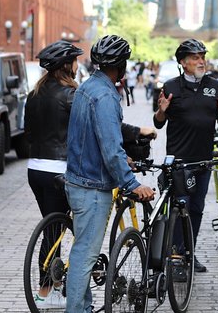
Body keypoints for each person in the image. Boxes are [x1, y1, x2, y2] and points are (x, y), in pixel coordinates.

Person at [65, 34, 156, 313]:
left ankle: (84, 306)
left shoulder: (88, 87)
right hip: (91, 187)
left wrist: (121, 158)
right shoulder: (105, 96)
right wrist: (131, 183)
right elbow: (109, 146)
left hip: (79, 179)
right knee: (85, 254)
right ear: (121, 65)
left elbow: (94, 139)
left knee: (83, 251)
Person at [153, 38, 218, 272]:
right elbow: (158, 124)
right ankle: (176, 256)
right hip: (179, 162)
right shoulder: (170, 87)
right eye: (196, 58)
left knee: (196, 209)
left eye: (203, 57)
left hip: (204, 160)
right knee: (181, 207)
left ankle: (189, 253)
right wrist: (161, 111)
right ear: (183, 62)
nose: (201, 61)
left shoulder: (215, 86)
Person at [24, 40, 83, 309]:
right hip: (60, 170)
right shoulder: (71, 95)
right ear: (66, 66)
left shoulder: (33, 94)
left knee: (53, 225)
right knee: (55, 230)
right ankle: (46, 290)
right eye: (75, 60)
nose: (78, 64)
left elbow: (28, 134)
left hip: (35, 169)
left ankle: (53, 284)